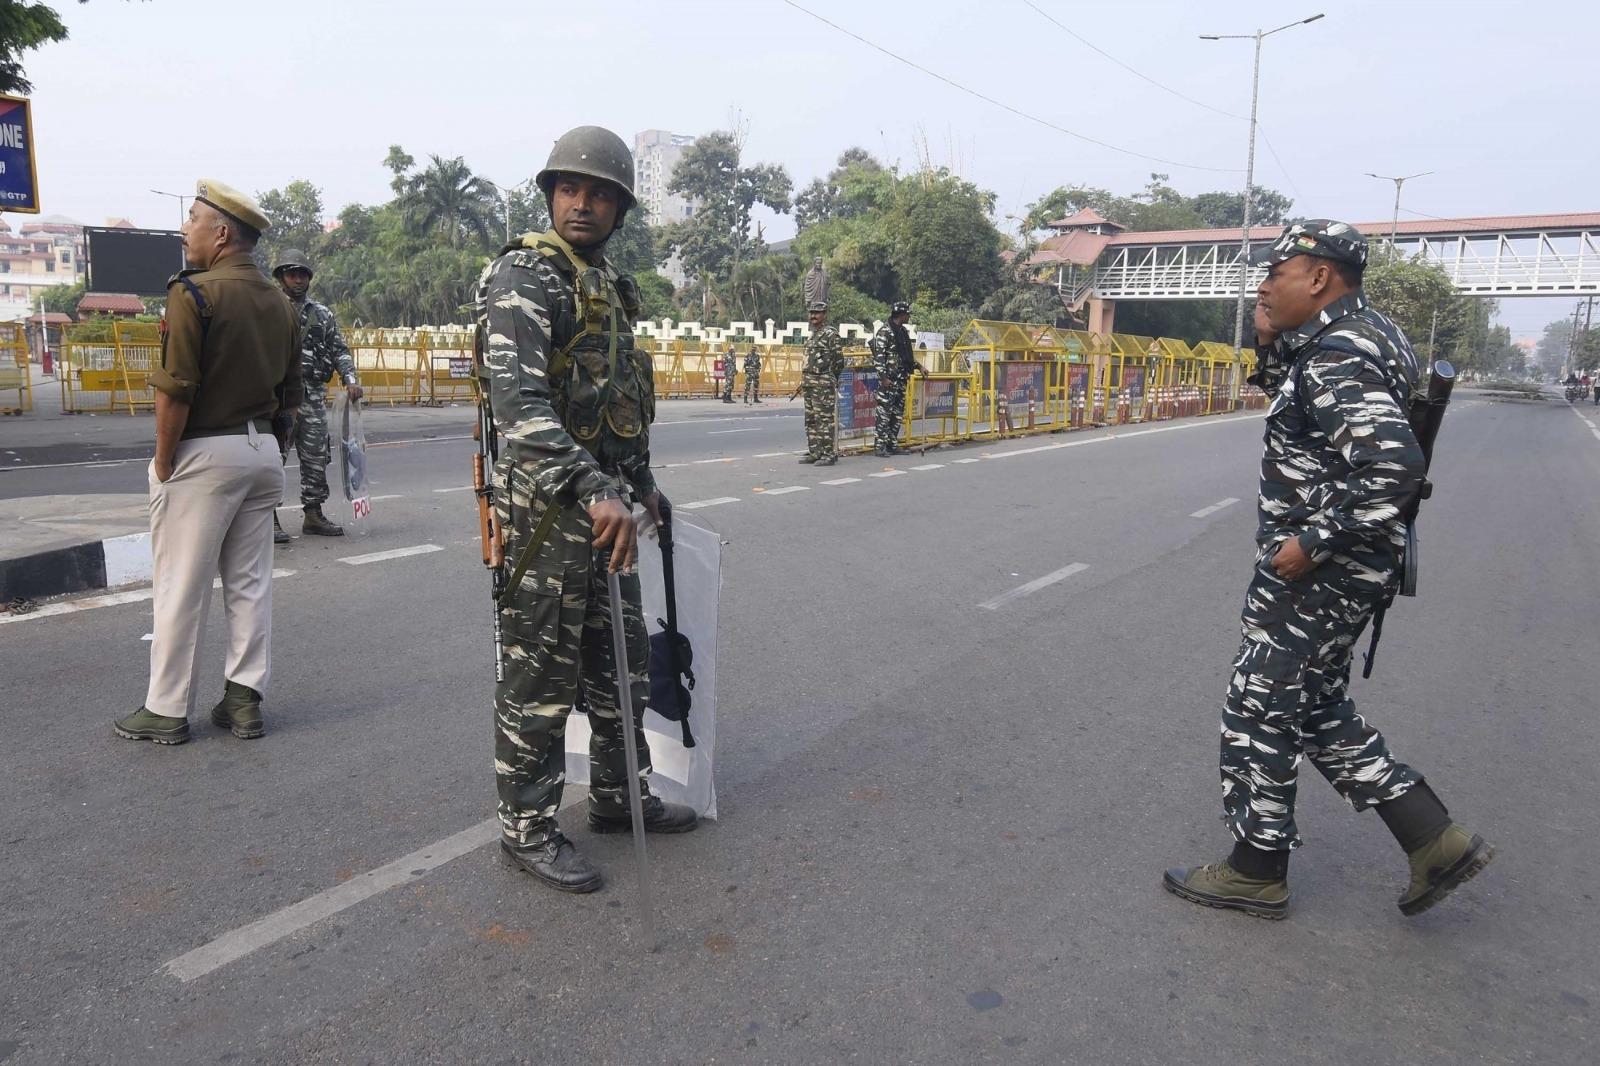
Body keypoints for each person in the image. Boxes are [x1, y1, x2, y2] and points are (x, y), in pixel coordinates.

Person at [1164, 220, 1492, 920]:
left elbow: (1393, 464)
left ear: (1318, 277)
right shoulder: (1362, 335)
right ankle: (1433, 838)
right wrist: (1265, 344)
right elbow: (1313, 413)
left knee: (1258, 702)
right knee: (1312, 705)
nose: (1264, 284)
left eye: (1275, 271)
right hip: (1355, 563)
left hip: (1322, 569)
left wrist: (1313, 540)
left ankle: (1256, 868)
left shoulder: (1339, 350)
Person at [475, 124, 697, 894]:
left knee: (621, 673)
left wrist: (640, 483)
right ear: (549, 195)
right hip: (547, 519)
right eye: (570, 188)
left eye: (600, 194)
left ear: (620, 211)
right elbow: (522, 407)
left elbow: (621, 402)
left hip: (608, 518)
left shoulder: (609, 289)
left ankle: (616, 797)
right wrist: (596, 489)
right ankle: (527, 828)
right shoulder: (523, 281)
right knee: (538, 681)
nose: (583, 204)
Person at [113, 180, 301, 745]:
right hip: (262, 451)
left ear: (221, 234)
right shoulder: (279, 301)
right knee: (249, 583)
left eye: (192, 218)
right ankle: (244, 701)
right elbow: (292, 396)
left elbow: (175, 390)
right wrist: (269, 449)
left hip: (204, 453)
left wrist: (164, 462)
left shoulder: (192, 294)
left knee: (179, 584)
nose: (183, 229)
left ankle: (166, 709)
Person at [270, 249, 363, 539]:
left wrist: (350, 378)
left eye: (302, 274)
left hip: (311, 394)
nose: (297, 279)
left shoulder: (321, 314)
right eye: (291, 273)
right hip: (279, 396)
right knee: (273, 458)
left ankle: (313, 514)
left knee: (316, 456)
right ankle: (267, 518)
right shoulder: (268, 308)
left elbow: (339, 350)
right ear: (282, 277)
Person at [869, 300, 923, 457]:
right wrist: (883, 378)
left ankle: (892, 444)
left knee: (897, 415)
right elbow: (879, 358)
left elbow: (906, 356)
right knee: (884, 414)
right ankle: (879, 447)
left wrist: (919, 366)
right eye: (907, 314)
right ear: (901, 314)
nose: (908, 317)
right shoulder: (885, 332)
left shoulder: (902, 332)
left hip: (901, 379)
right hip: (889, 381)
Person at [798, 301, 844, 466]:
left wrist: (830, 377)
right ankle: (815, 451)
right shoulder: (813, 335)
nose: (813, 316)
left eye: (817, 313)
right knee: (810, 419)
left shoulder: (831, 334)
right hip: (809, 383)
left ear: (825, 314)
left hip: (823, 384)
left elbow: (839, 361)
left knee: (824, 420)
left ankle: (828, 454)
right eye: (811, 313)